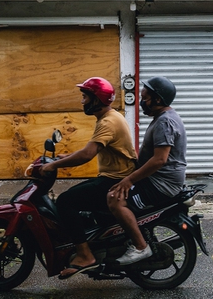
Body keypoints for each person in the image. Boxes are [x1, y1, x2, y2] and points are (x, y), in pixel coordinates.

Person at [39, 77, 137, 279]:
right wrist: (65, 157)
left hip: (115, 181)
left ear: (97, 99)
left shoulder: (108, 122)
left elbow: (87, 154)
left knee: (66, 201)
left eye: (85, 97)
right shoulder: (109, 117)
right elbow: (90, 148)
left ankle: (85, 255)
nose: (82, 101)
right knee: (77, 197)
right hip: (113, 176)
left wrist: (53, 165)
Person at [107, 76, 187, 265]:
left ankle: (140, 247)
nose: (142, 102)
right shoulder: (163, 118)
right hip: (157, 180)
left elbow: (160, 159)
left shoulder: (164, 122)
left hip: (161, 184)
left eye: (145, 98)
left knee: (115, 199)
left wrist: (129, 180)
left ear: (158, 99)